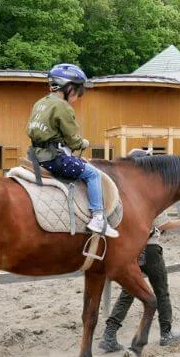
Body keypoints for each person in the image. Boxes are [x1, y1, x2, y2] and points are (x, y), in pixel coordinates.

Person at [99, 150, 180, 351]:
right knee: (161, 291)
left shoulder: (122, 192)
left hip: (132, 250)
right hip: (150, 249)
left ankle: (109, 334)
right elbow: (163, 223)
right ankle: (166, 333)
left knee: (129, 292)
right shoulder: (147, 194)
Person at [27, 63, 118, 238]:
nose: (77, 96)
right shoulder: (62, 106)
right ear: (67, 87)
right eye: (77, 91)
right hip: (54, 159)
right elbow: (73, 140)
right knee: (93, 174)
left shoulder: (40, 103)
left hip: (34, 156)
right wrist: (83, 143)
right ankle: (98, 217)